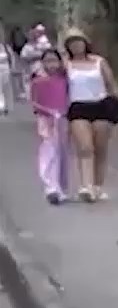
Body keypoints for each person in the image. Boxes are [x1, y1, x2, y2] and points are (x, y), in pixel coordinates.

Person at [61, 31, 118, 203]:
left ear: (86, 43)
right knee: (85, 147)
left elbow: (111, 85)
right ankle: (86, 185)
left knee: (100, 148)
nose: (76, 46)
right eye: (72, 43)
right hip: (78, 107)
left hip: (101, 106)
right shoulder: (66, 64)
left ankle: (98, 185)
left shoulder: (99, 62)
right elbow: (55, 81)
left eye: (79, 42)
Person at [29, 49, 68, 203]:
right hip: (45, 120)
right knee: (49, 150)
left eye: (54, 60)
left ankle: (60, 187)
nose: (51, 64)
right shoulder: (38, 81)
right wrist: (47, 112)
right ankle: (50, 186)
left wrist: (63, 112)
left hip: (62, 119)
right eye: (47, 61)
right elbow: (34, 101)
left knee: (62, 153)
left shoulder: (64, 79)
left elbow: (67, 97)